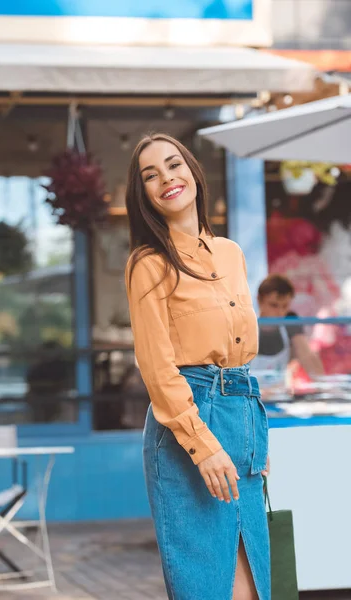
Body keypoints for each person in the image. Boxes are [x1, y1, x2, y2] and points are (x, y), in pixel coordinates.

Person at [124, 133, 270, 600]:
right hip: (188, 420)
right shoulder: (147, 264)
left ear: (192, 171)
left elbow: (243, 356)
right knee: (208, 583)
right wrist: (202, 445)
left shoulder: (231, 253)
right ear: (143, 194)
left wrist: (255, 437)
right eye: (151, 175)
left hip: (241, 414)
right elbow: (157, 368)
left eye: (173, 165)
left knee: (252, 583)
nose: (166, 178)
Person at [252, 274, 324, 395]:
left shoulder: (290, 322)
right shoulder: (248, 324)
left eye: (285, 306)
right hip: (252, 398)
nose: (280, 312)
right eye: (274, 305)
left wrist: (323, 386)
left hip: (280, 398)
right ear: (259, 300)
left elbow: (306, 355)